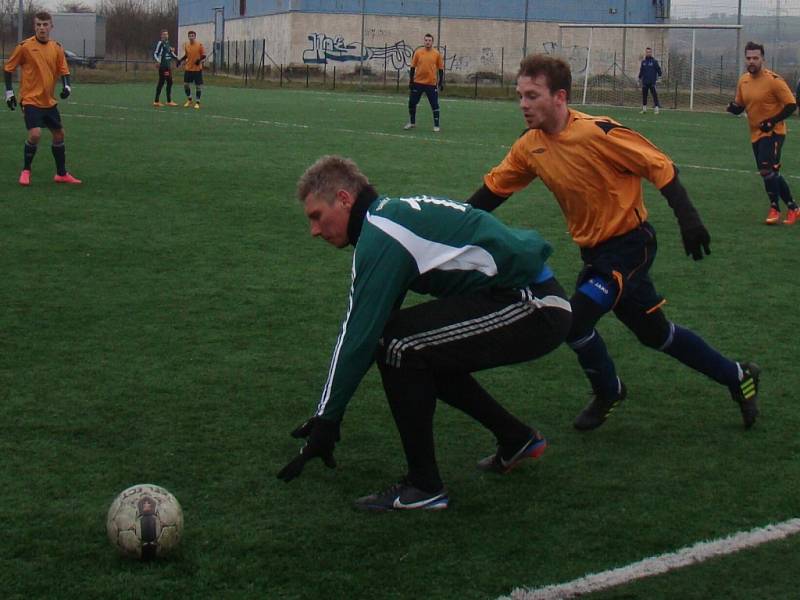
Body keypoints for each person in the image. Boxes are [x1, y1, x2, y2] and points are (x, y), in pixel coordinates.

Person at [467, 54, 760, 432]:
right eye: (519, 95)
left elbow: (660, 165)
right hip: (595, 253)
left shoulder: (597, 132)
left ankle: (609, 390)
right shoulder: (530, 147)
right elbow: (493, 191)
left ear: (560, 97)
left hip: (630, 246)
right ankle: (739, 376)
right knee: (656, 334)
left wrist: (688, 218)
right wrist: (454, 223)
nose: (523, 104)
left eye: (532, 96)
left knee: (573, 319)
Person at [277, 155, 572, 511]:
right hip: (522, 297)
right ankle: (516, 438)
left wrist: (327, 418)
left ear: (343, 199)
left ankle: (424, 485)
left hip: (534, 305)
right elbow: (373, 325)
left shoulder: (382, 234)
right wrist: (329, 414)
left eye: (316, 217)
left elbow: (358, 335)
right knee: (412, 349)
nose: (314, 230)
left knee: (398, 346)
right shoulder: (387, 217)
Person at [3, 11, 81, 186]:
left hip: (49, 101)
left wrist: (67, 86)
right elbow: (8, 68)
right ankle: (26, 170)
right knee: (35, 134)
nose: (42, 28)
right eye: (38, 24)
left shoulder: (57, 48)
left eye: (45, 25)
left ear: (51, 26)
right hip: (30, 100)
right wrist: (9, 93)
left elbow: (64, 70)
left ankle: (61, 174)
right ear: (34, 26)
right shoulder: (24, 47)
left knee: (59, 134)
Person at [727, 41, 799, 225]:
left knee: (766, 170)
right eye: (749, 58)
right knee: (771, 172)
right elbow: (741, 105)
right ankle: (793, 207)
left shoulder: (774, 81)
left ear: (763, 59)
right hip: (756, 133)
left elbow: (791, 105)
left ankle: (774, 208)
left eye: (755, 58)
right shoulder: (743, 80)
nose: (751, 61)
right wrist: (733, 108)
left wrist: (772, 121)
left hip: (774, 132)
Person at [404, 33, 444, 132]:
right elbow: (413, 67)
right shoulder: (418, 52)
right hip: (418, 83)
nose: (427, 42)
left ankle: (436, 125)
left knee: (434, 104)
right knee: (412, 103)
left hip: (431, 84)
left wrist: (441, 82)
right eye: (426, 40)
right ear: (424, 41)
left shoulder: (436, 53)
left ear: (432, 42)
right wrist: (411, 81)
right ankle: (412, 123)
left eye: (429, 40)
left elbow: (440, 69)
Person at [178, 31, 206, 110]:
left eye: (193, 36)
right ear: (188, 37)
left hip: (197, 69)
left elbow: (204, 55)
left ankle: (197, 102)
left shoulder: (199, 45)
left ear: (195, 36)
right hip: (188, 68)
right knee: (186, 84)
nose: (191, 37)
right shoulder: (186, 45)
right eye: (190, 36)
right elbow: (186, 55)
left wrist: (199, 60)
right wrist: (180, 60)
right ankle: (189, 99)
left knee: (198, 86)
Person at [153, 29, 179, 107]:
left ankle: (169, 101)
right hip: (163, 67)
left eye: (166, 34)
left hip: (167, 67)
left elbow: (170, 53)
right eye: (164, 34)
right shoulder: (160, 43)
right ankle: (156, 101)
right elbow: (155, 53)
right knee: (161, 82)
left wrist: (178, 59)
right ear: (161, 35)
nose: (165, 36)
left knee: (169, 82)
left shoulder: (168, 43)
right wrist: (158, 61)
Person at [638, 47, 662, 114]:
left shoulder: (654, 62)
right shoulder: (643, 62)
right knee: (644, 96)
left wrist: (659, 77)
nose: (648, 53)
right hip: (645, 82)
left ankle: (656, 108)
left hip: (652, 82)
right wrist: (639, 78)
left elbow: (659, 70)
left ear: (651, 53)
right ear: (645, 53)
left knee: (654, 95)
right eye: (647, 52)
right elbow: (641, 71)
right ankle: (644, 109)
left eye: (649, 52)